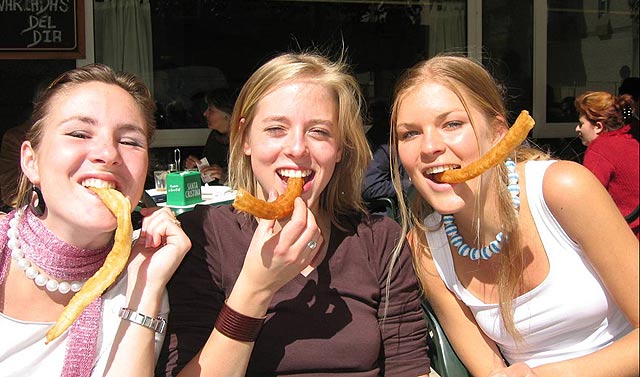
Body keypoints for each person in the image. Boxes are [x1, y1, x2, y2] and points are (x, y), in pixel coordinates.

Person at [157, 51, 431, 376]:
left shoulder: (380, 239)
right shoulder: (203, 237)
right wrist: (256, 288)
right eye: (276, 128)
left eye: (319, 132)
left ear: (340, 147)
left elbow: (408, 368)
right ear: (245, 138)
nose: (298, 148)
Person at [388, 55, 638, 376]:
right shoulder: (424, 250)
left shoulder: (563, 188)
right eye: (409, 133)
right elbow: (490, 369)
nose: (429, 146)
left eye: (452, 124)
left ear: (497, 133)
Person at [0, 64, 191, 376]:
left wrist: (145, 289)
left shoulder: (144, 273)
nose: (108, 153)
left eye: (130, 141)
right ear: (31, 161)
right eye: (79, 134)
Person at [574, 91, 639, 237]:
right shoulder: (631, 142)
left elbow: (586, 200)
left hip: (624, 235)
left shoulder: (600, 148)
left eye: (581, 124)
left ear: (598, 126)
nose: (577, 129)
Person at [183, 88, 234, 185]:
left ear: (227, 115)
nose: (205, 113)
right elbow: (208, 179)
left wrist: (225, 177)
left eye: (211, 110)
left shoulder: (246, 141)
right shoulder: (214, 137)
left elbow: (252, 179)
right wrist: (196, 169)